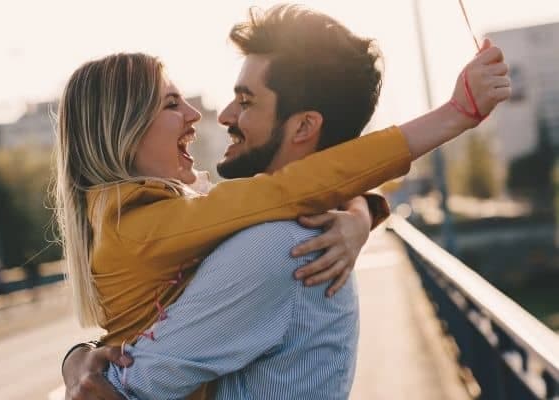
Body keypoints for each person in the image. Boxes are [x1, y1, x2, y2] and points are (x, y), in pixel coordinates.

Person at [56, 5, 509, 399]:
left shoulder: (274, 246)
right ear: (124, 131)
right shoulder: (152, 224)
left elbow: (294, 192)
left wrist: (359, 210)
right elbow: (290, 191)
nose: (207, 115)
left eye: (245, 100)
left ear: (303, 127)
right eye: (173, 104)